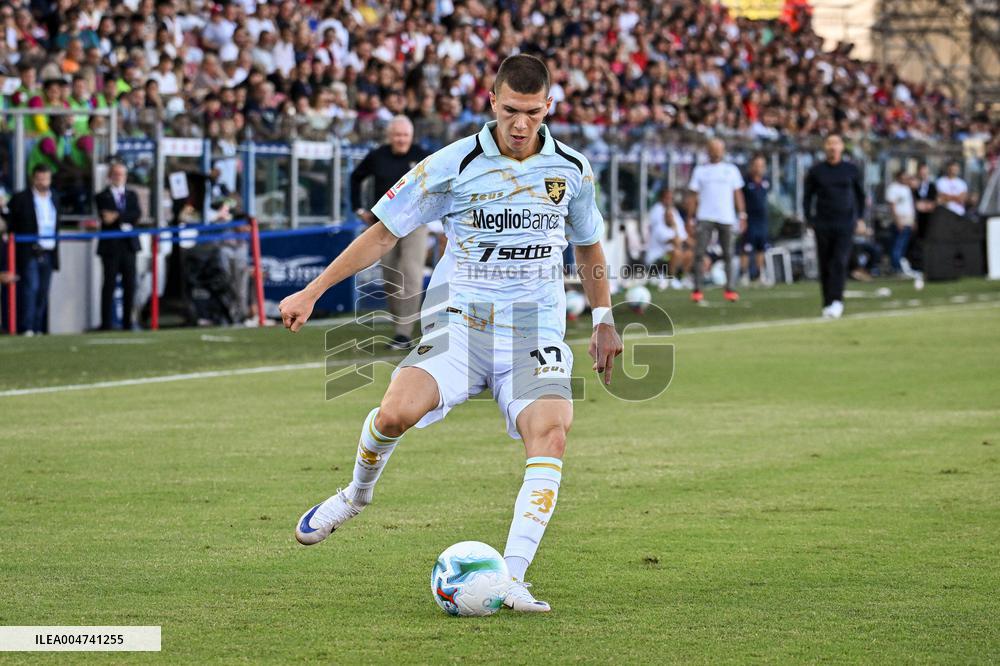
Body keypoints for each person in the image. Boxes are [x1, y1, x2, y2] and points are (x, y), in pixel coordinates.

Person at [278, 54, 622, 613]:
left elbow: (588, 246)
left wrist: (604, 319)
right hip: (461, 326)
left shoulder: (572, 170)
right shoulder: (451, 164)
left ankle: (511, 576)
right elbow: (384, 235)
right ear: (491, 101)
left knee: (552, 434)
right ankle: (355, 496)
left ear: (549, 108)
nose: (520, 124)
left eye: (532, 113)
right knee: (394, 413)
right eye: (510, 110)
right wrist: (313, 291)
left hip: (535, 332)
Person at [350, 115, 432, 349]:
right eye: (397, 135)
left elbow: (437, 184)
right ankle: (400, 325)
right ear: (390, 136)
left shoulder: (422, 156)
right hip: (384, 223)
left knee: (411, 271)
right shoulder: (378, 156)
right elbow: (355, 177)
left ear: (412, 136)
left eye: (405, 135)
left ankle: (404, 333)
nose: (401, 139)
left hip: (415, 222)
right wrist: (358, 208)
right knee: (390, 275)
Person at [802, 134, 865, 319]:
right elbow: (807, 197)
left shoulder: (851, 170)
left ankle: (837, 300)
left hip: (845, 222)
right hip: (823, 222)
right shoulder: (816, 171)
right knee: (825, 262)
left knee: (839, 261)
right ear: (824, 147)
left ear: (842, 147)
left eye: (836, 143)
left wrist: (859, 218)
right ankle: (827, 302)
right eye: (829, 143)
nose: (832, 147)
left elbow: (860, 196)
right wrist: (809, 219)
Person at [686, 138, 746, 303]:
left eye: (719, 148)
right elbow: (693, 195)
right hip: (705, 216)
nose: (717, 151)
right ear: (708, 150)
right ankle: (697, 289)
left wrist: (742, 214)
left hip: (726, 217)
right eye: (714, 148)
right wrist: (690, 217)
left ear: (723, 150)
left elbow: (737, 193)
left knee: (728, 253)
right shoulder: (700, 171)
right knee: (699, 253)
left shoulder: (731, 170)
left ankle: (730, 289)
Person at [3, 165, 60, 335]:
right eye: (39, 178)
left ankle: (38, 327)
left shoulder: (55, 197)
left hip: (49, 250)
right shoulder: (21, 198)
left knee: (43, 291)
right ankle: (26, 327)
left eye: (46, 178)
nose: (43, 182)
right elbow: (10, 222)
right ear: (33, 179)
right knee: (30, 289)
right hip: (29, 251)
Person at [95, 162, 142, 331]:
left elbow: (136, 214)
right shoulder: (102, 196)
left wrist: (117, 215)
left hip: (129, 245)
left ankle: (127, 322)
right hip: (111, 247)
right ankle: (106, 323)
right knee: (109, 284)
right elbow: (106, 218)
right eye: (115, 174)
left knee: (130, 284)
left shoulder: (131, 195)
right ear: (110, 176)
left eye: (121, 174)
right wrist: (123, 217)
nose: (119, 177)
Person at [644, 187, 692, 288]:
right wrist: (675, 229)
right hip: (657, 257)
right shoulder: (659, 227)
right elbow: (676, 242)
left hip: (670, 254)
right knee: (676, 253)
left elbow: (683, 238)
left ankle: (680, 279)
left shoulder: (673, 214)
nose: (671, 218)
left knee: (689, 254)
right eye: (669, 216)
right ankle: (671, 279)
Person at [740, 154, 771, 286]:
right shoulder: (745, 181)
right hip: (749, 218)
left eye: (762, 166)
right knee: (746, 248)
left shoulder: (766, 181)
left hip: (762, 219)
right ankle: (744, 274)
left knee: (761, 248)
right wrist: (742, 216)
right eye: (757, 165)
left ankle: (760, 274)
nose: (759, 168)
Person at [884, 169, 916, 274]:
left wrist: (913, 220)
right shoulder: (893, 188)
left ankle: (900, 265)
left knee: (903, 245)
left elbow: (910, 206)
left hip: (908, 220)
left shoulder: (906, 188)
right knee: (897, 245)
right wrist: (897, 220)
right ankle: (896, 267)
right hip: (899, 220)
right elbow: (892, 206)